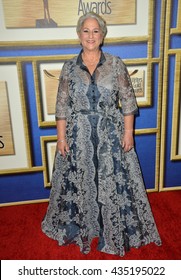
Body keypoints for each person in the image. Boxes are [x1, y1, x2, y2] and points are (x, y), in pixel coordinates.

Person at [42, 12, 161, 256]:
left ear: (103, 35)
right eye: (86, 30)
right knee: (81, 180)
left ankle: (112, 227)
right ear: (78, 34)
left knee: (112, 180)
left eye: (96, 31)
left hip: (110, 134)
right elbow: (62, 106)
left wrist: (129, 133)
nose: (91, 35)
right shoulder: (68, 67)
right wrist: (61, 138)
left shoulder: (116, 63)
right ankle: (84, 225)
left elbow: (128, 102)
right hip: (78, 135)